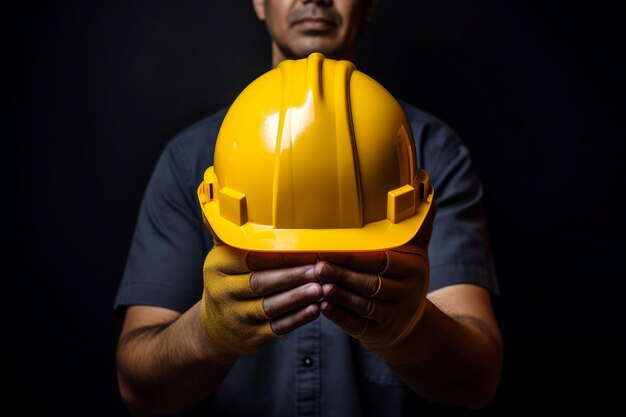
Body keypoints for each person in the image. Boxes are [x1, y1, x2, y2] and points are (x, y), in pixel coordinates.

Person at [114, 1, 503, 416]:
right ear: (259, 3)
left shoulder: (431, 154)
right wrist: (208, 332)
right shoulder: (189, 159)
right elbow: (138, 390)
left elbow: (478, 382)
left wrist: (410, 328)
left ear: (369, 4)